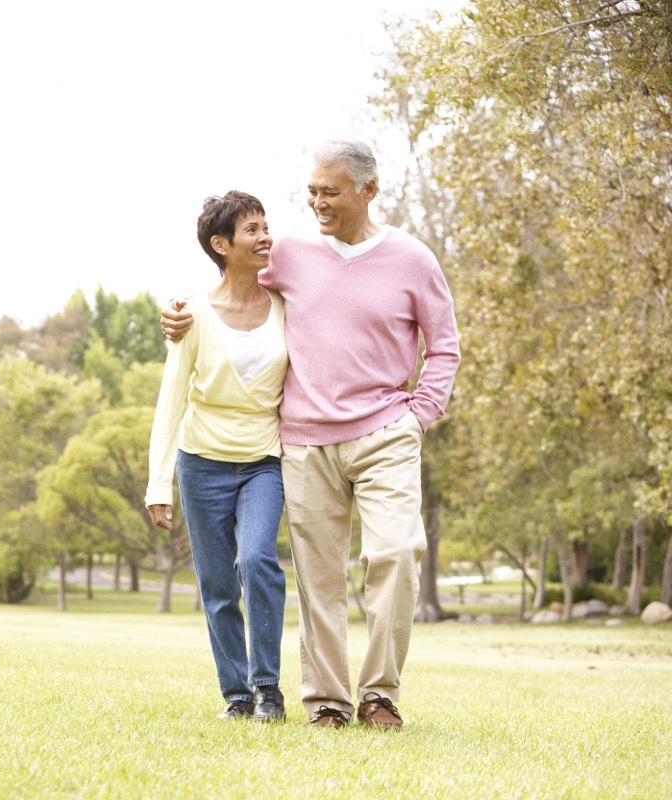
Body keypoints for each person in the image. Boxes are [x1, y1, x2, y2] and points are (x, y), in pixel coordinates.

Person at [161, 140, 460, 730]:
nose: (316, 201)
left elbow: (443, 343)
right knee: (320, 578)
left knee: (398, 553)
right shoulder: (291, 251)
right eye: (312, 190)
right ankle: (327, 701)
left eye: (330, 191)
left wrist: (421, 411)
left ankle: (380, 695)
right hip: (303, 440)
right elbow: (234, 286)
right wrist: (178, 311)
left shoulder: (412, 258)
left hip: (386, 432)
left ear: (367, 191)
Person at [146, 191, 289, 722]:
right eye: (252, 229)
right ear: (221, 245)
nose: (265, 237)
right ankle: (236, 695)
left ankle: (267, 689)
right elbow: (171, 399)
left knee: (255, 560)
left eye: (266, 226)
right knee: (218, 585)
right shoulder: (193, 315)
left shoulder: (284, 302)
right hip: (201, 461)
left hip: (263, 460)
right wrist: (159, 485)